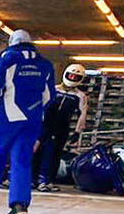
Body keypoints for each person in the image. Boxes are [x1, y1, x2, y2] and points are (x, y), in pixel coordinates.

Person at [0, 29, 55, 214]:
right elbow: (50, 96)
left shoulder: (6, 60)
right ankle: (19, 205)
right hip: (32, 119)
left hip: (7, 118)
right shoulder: (44, 64)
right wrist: (35, 111)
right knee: (21, 162)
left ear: (12, 42)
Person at [33, 63, 89, 191]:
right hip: (44, 125)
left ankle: (46, 180)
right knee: (36, 151)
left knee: (53, 153)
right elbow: (39, 106)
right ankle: (33, 178)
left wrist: (77, 131)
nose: (73, 79)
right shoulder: (53, 89)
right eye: (71, 76)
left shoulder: (80, 96)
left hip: (61, 128)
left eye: (76, 77)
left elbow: (83, 114)